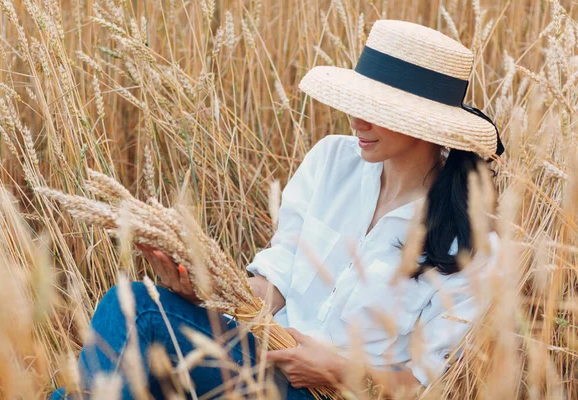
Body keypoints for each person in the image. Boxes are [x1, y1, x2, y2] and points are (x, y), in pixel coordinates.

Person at [50, 19, 504, 399]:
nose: (357, 120)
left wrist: (342, 372)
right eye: (357, 102)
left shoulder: (474, 247)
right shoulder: (331, 160)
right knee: (134, 305)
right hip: (259, 355)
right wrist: (202, 291)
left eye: (377, 109)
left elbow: (427, 383)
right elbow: (278, 278)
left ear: (425, 124)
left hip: (328, 393)